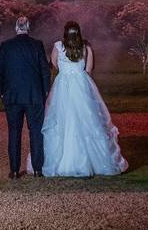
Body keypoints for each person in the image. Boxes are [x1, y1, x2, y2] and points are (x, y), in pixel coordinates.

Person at [33, 21, 128, 177]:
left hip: (63, 86)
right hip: (81, 85)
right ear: (79, 32)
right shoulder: (86, 48)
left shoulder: (58, 46)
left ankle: (62, 161)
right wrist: (77, 73)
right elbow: (89, 70)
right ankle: (92, 161)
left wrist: (66, 72)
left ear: (65, 33)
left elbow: (54, 64)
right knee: (86, 119)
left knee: (62, 119)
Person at [0, 16, 52, 179]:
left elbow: (0, 72)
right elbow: (45, 71)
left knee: (14, 132)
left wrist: (1, 91)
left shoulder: (6, 46)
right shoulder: (37, 45)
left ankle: (14, 171)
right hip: (34, 96)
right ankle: (37, 170)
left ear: (16, 27)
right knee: (36, 132)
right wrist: (45, 90)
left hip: (12, 96)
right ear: (28, 27)